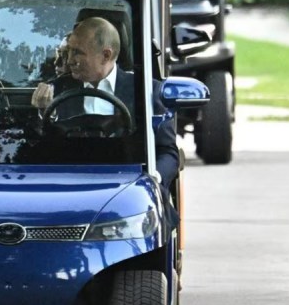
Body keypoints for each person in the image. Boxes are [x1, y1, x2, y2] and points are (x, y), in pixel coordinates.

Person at [31, 17, 179, 189]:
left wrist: (152, 181)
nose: (69, 60)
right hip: (66, 185)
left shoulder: (147, 90)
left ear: (106, 55)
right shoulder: (56, 89)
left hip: (128, 187)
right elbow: (36, 148)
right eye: (69, 51)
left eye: (77, 52)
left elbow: (168, 152)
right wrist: (42, 112)